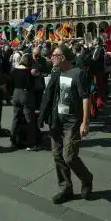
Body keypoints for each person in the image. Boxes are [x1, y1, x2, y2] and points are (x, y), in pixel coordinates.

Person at [39, 45, 93, 205]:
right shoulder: (56, 72)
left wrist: (85, 122)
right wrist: (42, 114)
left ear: (63, 58)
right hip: (56, 121)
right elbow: (49, 93)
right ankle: (65, 188)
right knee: (57, 155)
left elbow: (85, 97)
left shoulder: (78, 73)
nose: (51, 57)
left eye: (54, 55)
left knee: (69, 157)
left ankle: (86, 177)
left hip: (72, 123)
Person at [10, 53, 38, 150]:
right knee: (29, 119)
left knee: (15, 117)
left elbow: (11, 83)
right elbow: (32, 85)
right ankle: (31, 144)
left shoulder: (14, 70)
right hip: (26, 94)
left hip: (15, 93)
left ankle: (13, 140)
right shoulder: (29, 71)